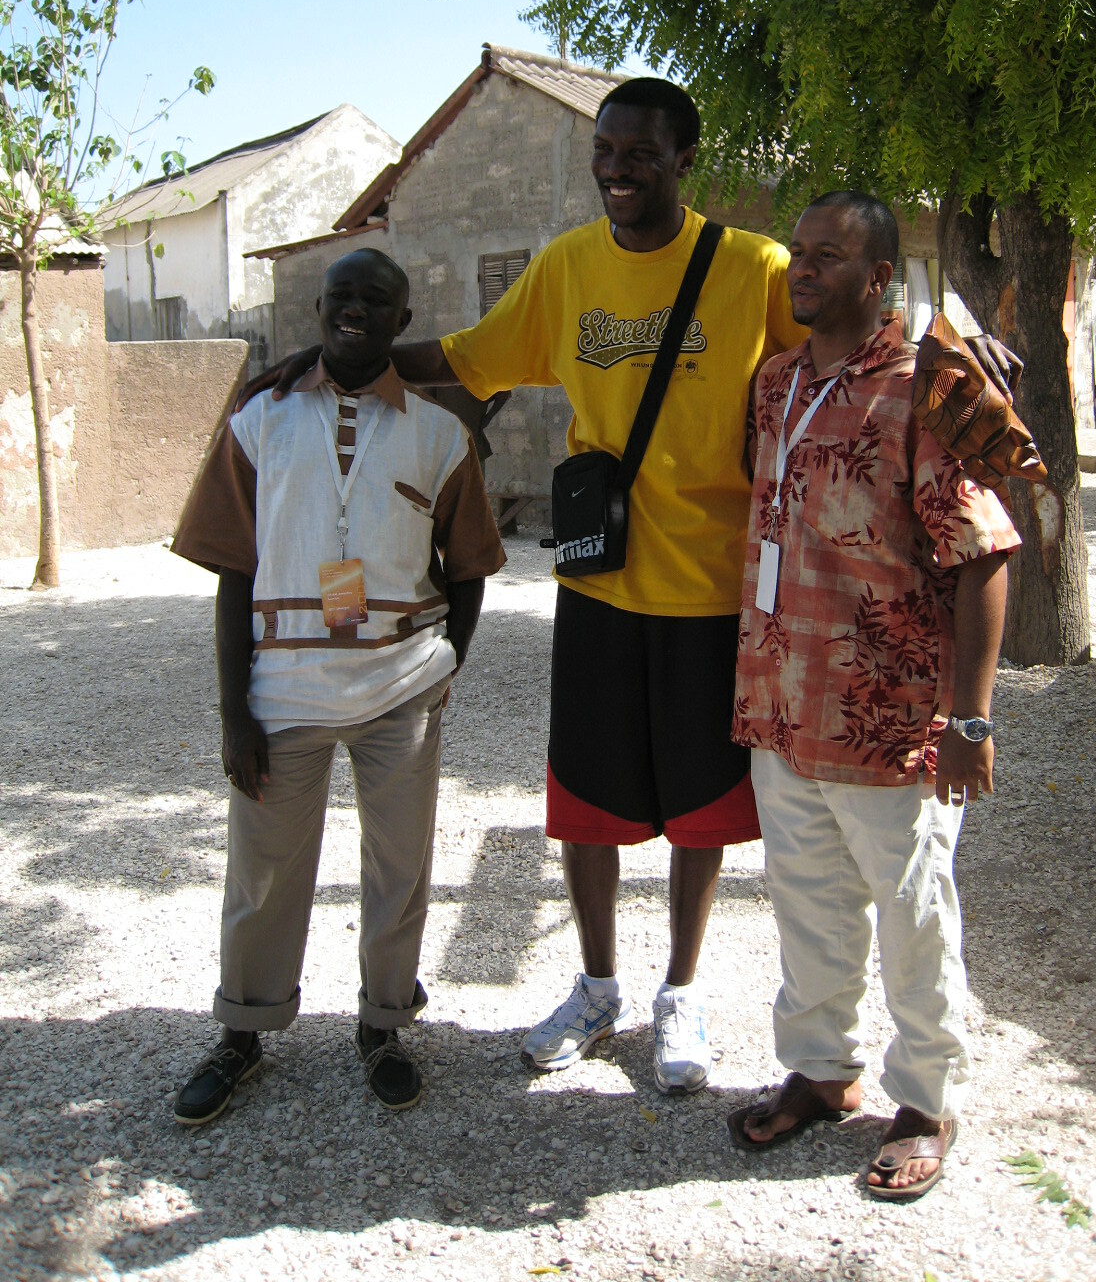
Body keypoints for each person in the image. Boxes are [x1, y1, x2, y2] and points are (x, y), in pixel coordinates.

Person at [251, 80, 1021, 1098]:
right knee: (585, 803)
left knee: (702, 812)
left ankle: (681, 992)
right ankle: (597, 985)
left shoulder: (752, 268)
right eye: (606, 152)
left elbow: (849, 327)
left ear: (683, 160)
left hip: (715, 592)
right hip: (601, 582)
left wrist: (951, 347)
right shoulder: (568, 267)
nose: (617, 169)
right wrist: (343, 355)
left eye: (640, 154)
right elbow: (469, 361)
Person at [725, 192, 1019, 1201]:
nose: (803, 270)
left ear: (880, 276)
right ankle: (822, 1070)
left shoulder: (924, 389)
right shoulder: (776, 381)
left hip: (889, 719)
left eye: (829, 256)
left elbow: (983, 553)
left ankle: (928, 1100)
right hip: (782, 701)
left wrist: (969, 718)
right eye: (798, 252)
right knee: (807, 902)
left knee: (911, 915)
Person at [170, 248, 505, 1124]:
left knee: (400, 869)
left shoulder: (440, 434)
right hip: (283, 695)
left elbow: (470, 566)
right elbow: (233, 572)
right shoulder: (261, 418)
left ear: (402, 320)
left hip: (400, 692)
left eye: (375, 299)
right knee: (263, 872)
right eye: (340, 296)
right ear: (318, 310)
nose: (355, 308)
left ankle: (383, 1026)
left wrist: (446, 663)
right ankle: (243, 1032)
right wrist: (233, 711)